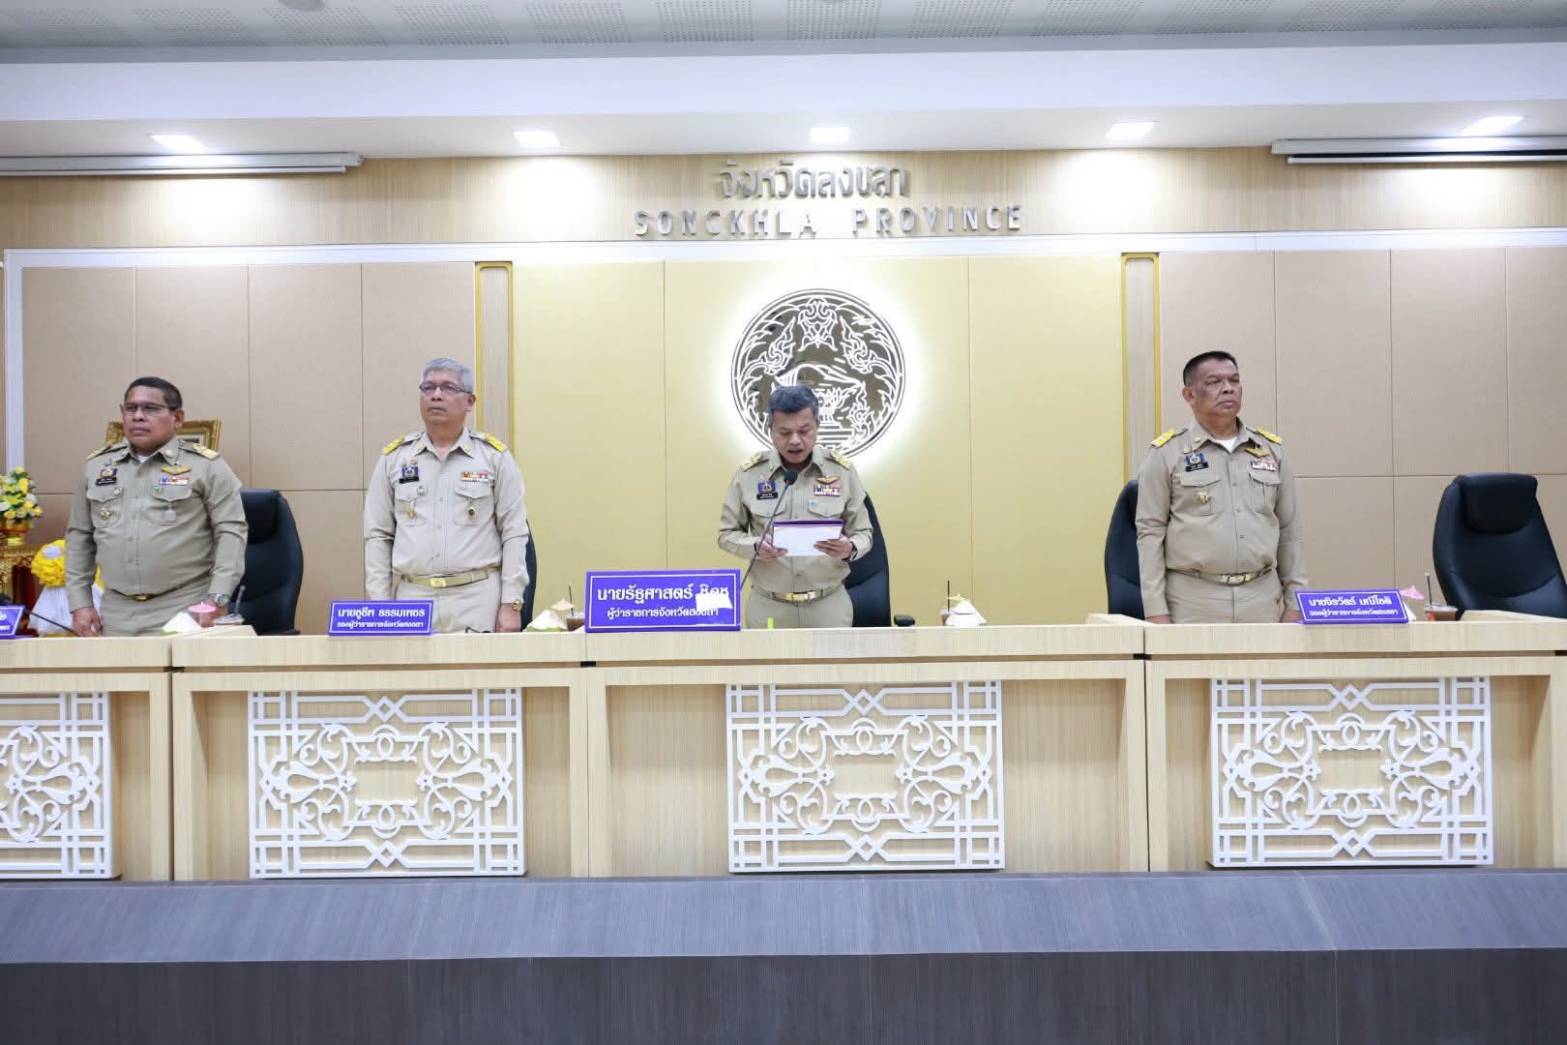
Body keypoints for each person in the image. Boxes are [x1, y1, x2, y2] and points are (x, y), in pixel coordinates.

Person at [1135, 350, 1307, 624]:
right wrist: (1155, 610)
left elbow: (1290, 531)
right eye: (1214, 382)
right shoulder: (1167, 454)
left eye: (1234, 380)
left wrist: (1296, 600)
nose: (1228, 388)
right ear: (1189, 395)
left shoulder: (1271, 450)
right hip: (1192, 600)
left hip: (1260, 598)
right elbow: (1150, 533)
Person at [67, 377, 247, 637]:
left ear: (177, 418)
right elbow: (79, 537)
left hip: (186, 608)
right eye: (131, 409)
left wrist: (217, 597)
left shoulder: (206, 466)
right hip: (116, 612)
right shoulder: (97, 467)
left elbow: (231, 533)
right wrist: (80, 603)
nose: (138, 416)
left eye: (150, 408)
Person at [364, 357, 530, 633]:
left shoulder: (494, 458)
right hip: (412, 597)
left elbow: (514, 532)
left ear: (470, 401)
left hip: (478, 597)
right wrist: (379, 605)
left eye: (448, 388)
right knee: (410, 665)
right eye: (428, 388)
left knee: (480, 665)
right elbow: (378, 535)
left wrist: (511, 603)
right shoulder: (394, 459)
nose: (436, 395)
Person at [718, 384, 874, 629]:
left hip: (827, 605)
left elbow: (864, 533)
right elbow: (726, 534)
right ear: (770, 429)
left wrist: (850, 548)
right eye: (784, 432)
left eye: (804, 430)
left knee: (832, 658)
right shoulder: (749, 474)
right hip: (769, 606)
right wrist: (754, 546)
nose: (795, 441)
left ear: (817, 425)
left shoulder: (841, 471)